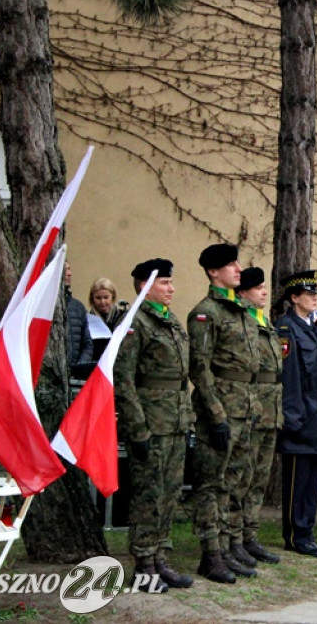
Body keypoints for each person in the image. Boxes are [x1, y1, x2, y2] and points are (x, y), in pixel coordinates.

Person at [113, 258, 192, 593]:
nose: (171, 288)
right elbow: (123, 379)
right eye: (164, 283)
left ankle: (161, 556)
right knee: (149, 494)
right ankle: (144, 563)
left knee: (171, 492)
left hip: (175, 420)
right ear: (144, 286)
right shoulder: (135, 322)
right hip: (150, 423)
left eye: (171, 283)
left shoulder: (170, 320)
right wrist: (137, 427)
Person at [188, 243, 261, 581]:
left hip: (245, 408)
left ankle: (231, 544)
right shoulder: (206, 313)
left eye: (237, 263)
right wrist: (215, 414)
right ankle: (211, 553)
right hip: (222, 410)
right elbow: (200, 369)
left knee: (236, 481)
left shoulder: (240, 310)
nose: (237, 268)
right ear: (213, 272)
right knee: (212, 484)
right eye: (230, 265)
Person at [277, 270, 317, 557]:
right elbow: (290, 379)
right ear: (294, 298)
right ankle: (295, 534)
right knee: (298, 479)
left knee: (314, 478)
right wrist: (293, 417)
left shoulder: (313, 327)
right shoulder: (287, 329)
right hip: (301, 413)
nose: (315, 297)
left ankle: (307, 532)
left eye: (316, 293)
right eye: (309, 294)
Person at [234, 267, 282, 565]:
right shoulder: (244, 322)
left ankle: (251, 535)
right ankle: (236, 537)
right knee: (243, 476)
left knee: (259, 479)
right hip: (250, 409)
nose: (264, 292)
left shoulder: (265, 322)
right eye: (258, 288)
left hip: (270, 410)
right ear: (243, 293)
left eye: (265, 287)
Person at [89, 277, 130, 361]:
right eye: (98, 298)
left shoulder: (122, 316)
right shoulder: (89, 319)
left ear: (113, 296)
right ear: (92, 298)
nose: (102, 302)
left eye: (106, 297)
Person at [64, 261, 94, 376]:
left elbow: (87, 344)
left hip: (74, 373)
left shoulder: (77, 307)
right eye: (65, 270)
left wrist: (80, 367)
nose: (69, 273)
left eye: (69, 269)